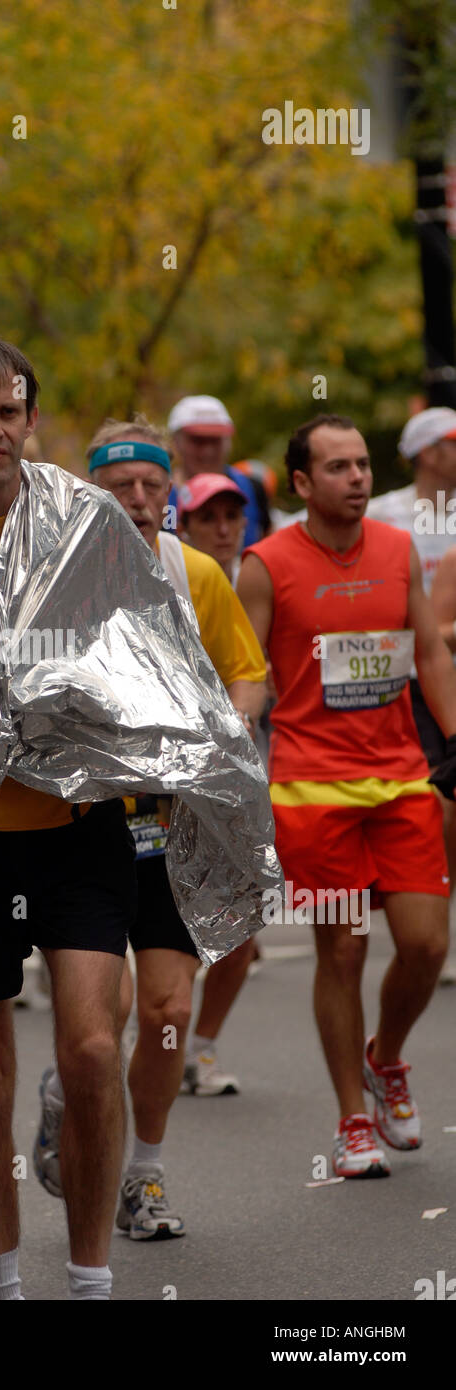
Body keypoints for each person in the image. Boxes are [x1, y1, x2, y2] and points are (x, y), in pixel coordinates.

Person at [0, 336, 275, 1299]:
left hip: (75, 833)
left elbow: (148, 659)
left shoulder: (88, 522)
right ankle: (0, 1282)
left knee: (90, 1050)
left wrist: (179, 756)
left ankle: (90, 1280)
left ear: (32, 420)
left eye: (9, 410)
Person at [34, 416, 266, 1240]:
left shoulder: (196, 571)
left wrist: (227, 734)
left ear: (169, 494)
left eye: (150, 486)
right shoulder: (56, 578)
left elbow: (247, 675)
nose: (136, 500)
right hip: (88, 822)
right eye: (119, 486)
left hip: (176, 826)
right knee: (104, 1023)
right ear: (94, 493)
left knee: (167, 1008)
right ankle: (67, 1090)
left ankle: (146, 1178)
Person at [237, 414, 455, 1178]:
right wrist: (234, 746)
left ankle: (385, 1057)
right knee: (345, 946)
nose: (357, 478)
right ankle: (351, 1122)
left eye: (362, 464)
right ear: (301, 484)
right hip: (310, 792)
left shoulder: (398, 551)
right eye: (338, 468)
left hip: (399, 781)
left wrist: (454, 742)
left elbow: (427, 647)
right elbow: (251, 671)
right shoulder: (265, 564)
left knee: (428, 943)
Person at [367, 408, 456, 899]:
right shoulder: (381, 514)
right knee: (434, 802)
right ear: (427, 451)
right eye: (453, 441)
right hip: (408, 680)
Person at [166, 394, 270, 546]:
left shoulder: (253, 489)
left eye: (216, 440)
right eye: (197, 441)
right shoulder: (156, 493)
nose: (207, 451)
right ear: (176, 441)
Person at [177, 471, 249, 585]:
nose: (223, 530)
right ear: (182, 530)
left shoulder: (259, 584)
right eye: (208, 518)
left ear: (244, 523)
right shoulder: (171, 589)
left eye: (231, 516)